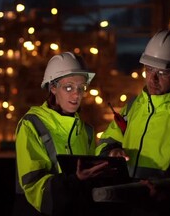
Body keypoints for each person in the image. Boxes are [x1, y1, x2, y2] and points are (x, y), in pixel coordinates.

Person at [95, 29, 170, 215]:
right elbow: (106, 142)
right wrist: (111, 152)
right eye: (149, 69)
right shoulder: (135, 106)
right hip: (124, 207)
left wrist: (168, 193)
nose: (152, 79)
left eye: (162, 72)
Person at [13, 52, 108, 216]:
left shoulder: (87, 131)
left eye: (81, 88)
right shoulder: (32, 125)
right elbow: (33, 186)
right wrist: (75, 180)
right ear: (53, 88)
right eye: (69, 87)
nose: (77, 94)